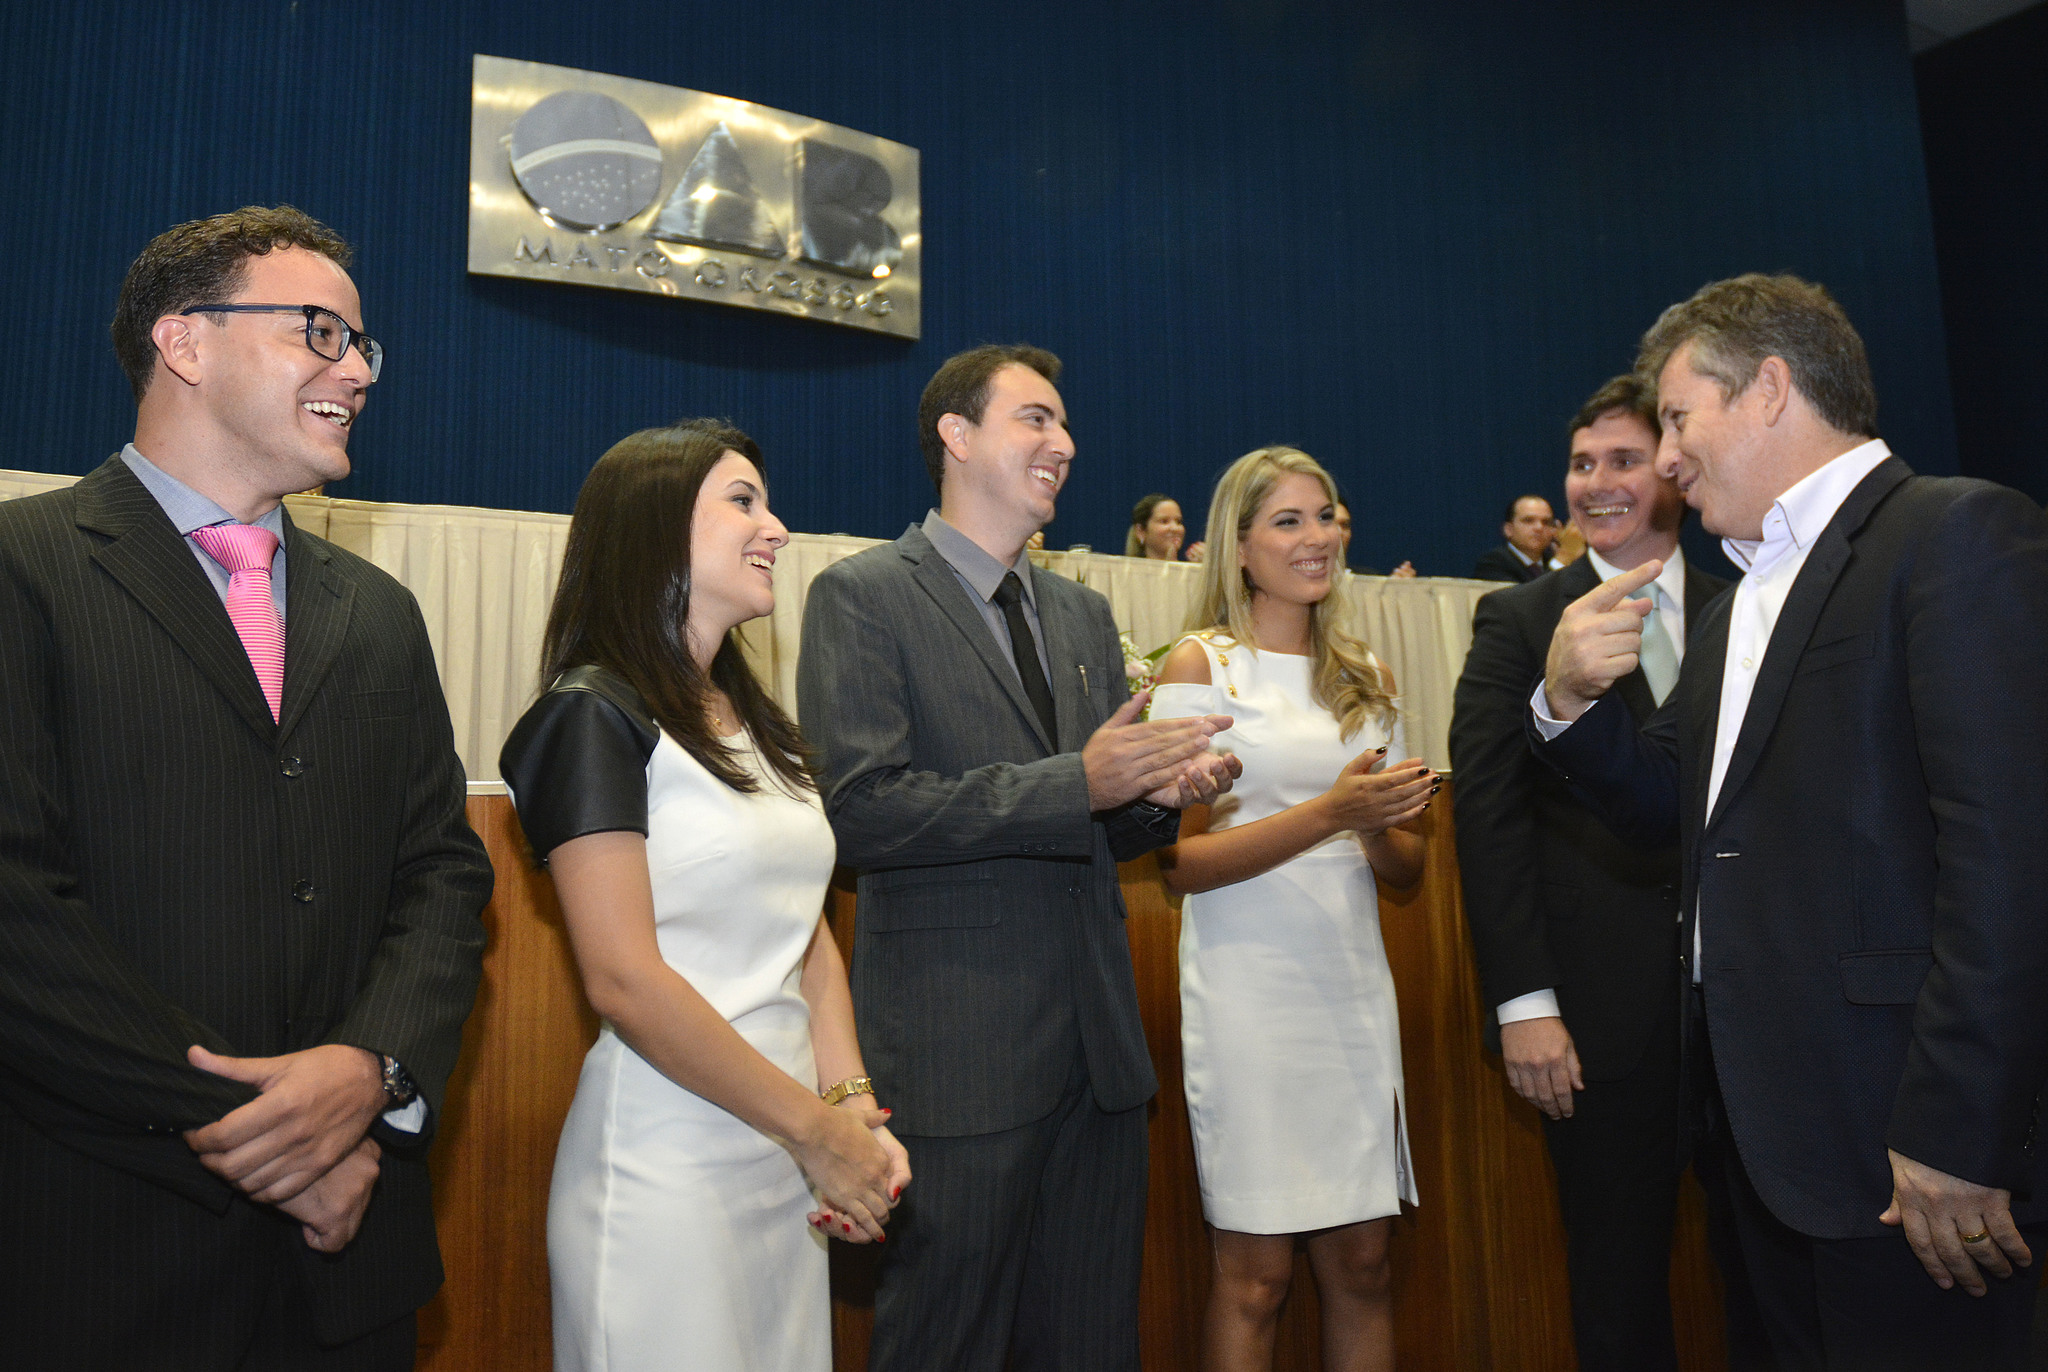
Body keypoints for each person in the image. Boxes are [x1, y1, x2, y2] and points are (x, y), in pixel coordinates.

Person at [0, 206, 493, 1367]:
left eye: (363, 346)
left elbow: (441, 873)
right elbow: (17, 907)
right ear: (185, 342)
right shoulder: (24, 568)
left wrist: (369, 1076)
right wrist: (265, 1133)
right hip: (100, 1248)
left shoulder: (379, 611)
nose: (356, 371)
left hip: (352, 1268)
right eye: (319, 332)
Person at [1535, 273, 2048, 1367]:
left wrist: (1958, 1130)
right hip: (1758, 1149)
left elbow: (2009, 861)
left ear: (1768, 387)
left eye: (1678, 419)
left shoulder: (1953, 533)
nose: (1667, 457)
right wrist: (1567, 701)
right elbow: (1665, 807)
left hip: (1907, 1148)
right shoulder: (1737, 607)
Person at [795, 344, 1240, 1372]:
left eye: (1065, 423)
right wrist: (1079, 782)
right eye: (1035, 418)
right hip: (958, 1063)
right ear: (955, 436)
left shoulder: (1080, 612)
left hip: (1098, 1061)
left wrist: (1157, 795)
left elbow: (1096, 822)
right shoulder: (863, 595)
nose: (1064, 443)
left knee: (1090, 1345)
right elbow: (859, 813)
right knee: (943, 1344)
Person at [499, 420, 910, 1372]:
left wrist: (850, 1110)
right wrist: (819, 1133)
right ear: (656, 527)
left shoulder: (751, 720)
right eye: (742, 501)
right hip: (669, 1169)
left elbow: (803, 934)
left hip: (787, 1159)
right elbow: (624, 980)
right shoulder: (589, 715)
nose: (777, 528)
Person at [1449, 374, 1730, 1371]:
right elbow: (1487, 817)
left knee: (1767, 1278)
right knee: (1618, 1291)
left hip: (1748, 1015)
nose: (1595, 482)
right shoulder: (1518, 619)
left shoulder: (1744, 610)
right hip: (1597, 1018)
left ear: (1674, 469)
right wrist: (1523, 1001)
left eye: (1622, 459)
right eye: (1579, 464)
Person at [1152, 446, 1435, 1372]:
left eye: (1326, 516)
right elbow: (1179, 863)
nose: (1316, 537)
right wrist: (1333, 813)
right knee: (1256, 1278)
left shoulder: (1364, 672)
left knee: (1363, 1264)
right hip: (1249, 997)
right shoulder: (1200, 662)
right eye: (1287, 521)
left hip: (1350, 992)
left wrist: (1374, 825)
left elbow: (1407, 870)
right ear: (1238, 547)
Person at [1470, 495, 1560, 581]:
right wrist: (1561, 560)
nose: (1539, 527)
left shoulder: (1553, 560)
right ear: (1509, 530)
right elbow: (1529, 592)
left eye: (1546, 522)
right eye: (1529, 520)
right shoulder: (1492, 564)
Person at [1333, 495, 1417, 577]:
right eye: (1331, 524)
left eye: (1345, 525)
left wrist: (1393, 586)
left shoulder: (1369, 578)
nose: (1340, 532)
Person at [1126, 491, 1188, 560]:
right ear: (1140, 531)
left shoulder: (1193, 566)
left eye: (1178, 522)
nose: (1175, 528)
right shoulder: (1124, 567)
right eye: (1164, 521)